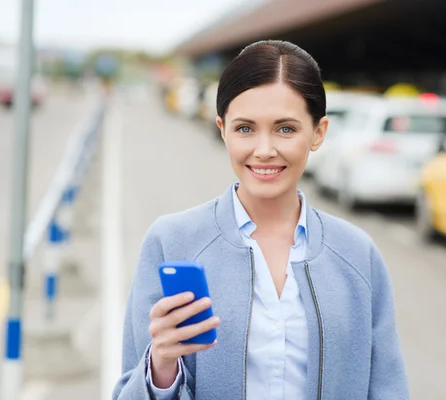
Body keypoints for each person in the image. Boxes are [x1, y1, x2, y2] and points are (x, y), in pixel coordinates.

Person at [113, 40, 409, 400]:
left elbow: (387, 389)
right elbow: (128, 388)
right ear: (222, 129)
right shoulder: (172, 242)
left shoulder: (357, 254)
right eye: (245, 128)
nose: (264, 149)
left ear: (318, 133)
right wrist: (160, 367)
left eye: (285, 129)